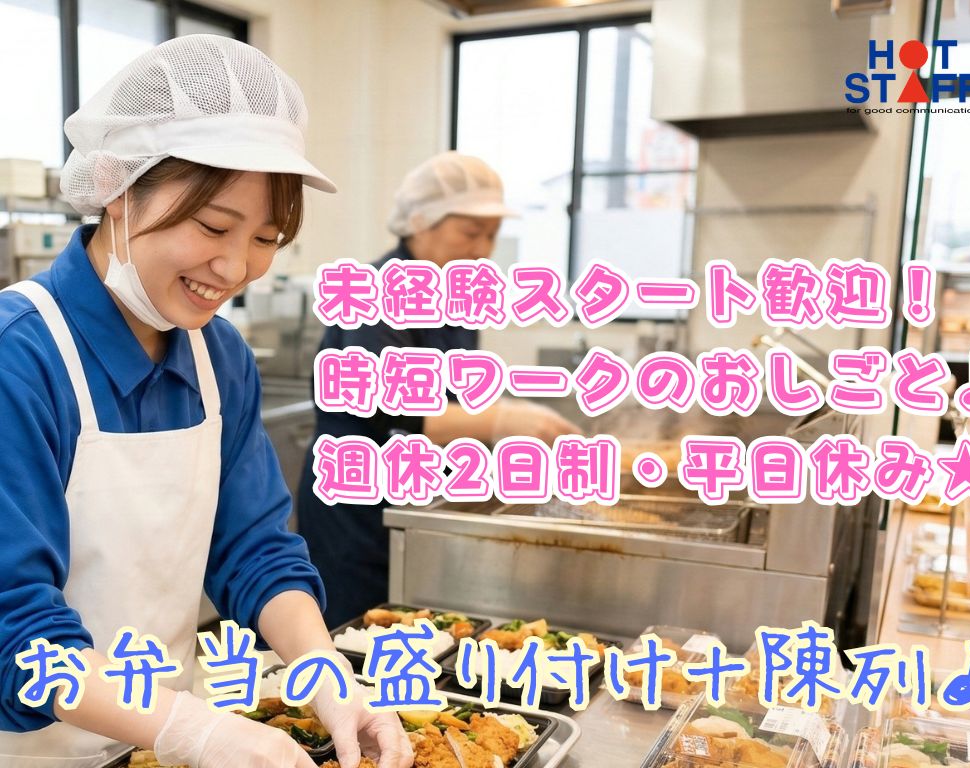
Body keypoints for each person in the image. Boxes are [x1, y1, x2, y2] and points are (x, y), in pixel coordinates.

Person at [0, 35, 411, 768]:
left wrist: (327, 677)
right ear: (118, 187)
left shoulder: (218, 357)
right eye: (213, 226)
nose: (235, 266)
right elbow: (15, 632)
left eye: (266, 237)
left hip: (151, 748)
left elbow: (253, 549)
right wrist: (197, 731)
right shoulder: (19, 358)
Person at [297, 151, 579, 629]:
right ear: (421, 222)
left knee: (413, 634)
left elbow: (456, 400)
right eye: (471, 232)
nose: (483, 249)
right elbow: (396, 409)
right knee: (353, 635)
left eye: (491, 235)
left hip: (415, 500)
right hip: (356, 508)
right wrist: (505, 420)